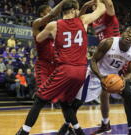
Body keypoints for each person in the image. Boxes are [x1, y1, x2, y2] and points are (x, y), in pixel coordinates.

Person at [16, 0, 105, 135]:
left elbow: (39, 38)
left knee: (40, 100)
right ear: (75, 10)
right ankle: (77, 131)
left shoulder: (54, 25)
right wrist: (96, 2)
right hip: (79, 70)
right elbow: (101, 9)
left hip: (64, 69)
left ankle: (24, 132)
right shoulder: (82, 20)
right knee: (65, 103)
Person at [59, 26, 131, 135]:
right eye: (128, 32)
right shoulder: (108, 43)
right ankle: (66, 126)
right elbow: (93, 61)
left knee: (129, 95)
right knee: (77, 102)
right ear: (122, 33)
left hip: (113, 77)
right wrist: (101, 77)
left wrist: (124, 79)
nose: (129, 35)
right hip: (96, 74)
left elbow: (130, 72)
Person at [16, 1, 70, 135]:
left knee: (65, 100)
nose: (51, 13)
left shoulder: (54, 28)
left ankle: (68, 127)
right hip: (43, 66)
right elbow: (51, 15)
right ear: (41, 14)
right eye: (47, 11)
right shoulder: (36, 24)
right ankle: (24, 130)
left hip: (57, 67)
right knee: (41, 98)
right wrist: (64, 3)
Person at [80, 0, 121, 134]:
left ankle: (69, 120)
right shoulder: (95, 20)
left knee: (120, 91)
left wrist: (99, 1)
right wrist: (85, 6)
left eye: (96, 5)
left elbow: (109, 3)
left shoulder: (108, 15)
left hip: (114, 54)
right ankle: (106, 123)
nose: (94, 7)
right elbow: (80, 20)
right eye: (93, 6)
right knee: (104, 94)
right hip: (103, 56)